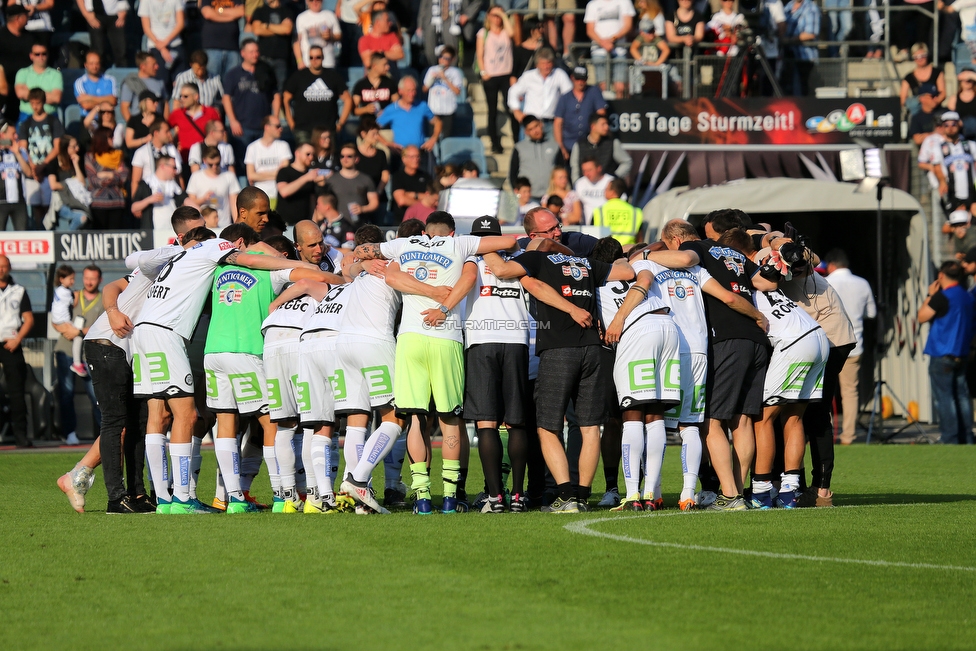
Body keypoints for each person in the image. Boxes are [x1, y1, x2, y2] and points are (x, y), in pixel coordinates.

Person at [133, 208, 313, 514]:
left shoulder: (174, 260)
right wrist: (296, 262)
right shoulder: (214, 252)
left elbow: (132, 262)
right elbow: (253, 259)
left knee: (159, 415)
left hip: (146, 331)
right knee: (190, 416)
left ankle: (169, 498)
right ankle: (189, 499)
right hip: (177, 335)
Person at [353, 212, 519, 514]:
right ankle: (450, 498)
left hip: (410, 337)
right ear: (451, 232)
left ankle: (422, 497)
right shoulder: (461, 245)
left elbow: (370, 258)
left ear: (426, 231)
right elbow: (510, 240)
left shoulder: (402, 244)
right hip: (447, 337)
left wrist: (364, 259)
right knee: (450, 419)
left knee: (416, 418)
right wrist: (442, 304)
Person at [482, 229, 636, 513]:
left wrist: (479, 245)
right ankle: (581, 496)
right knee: (590, 428)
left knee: (548, 427)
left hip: (558, 349)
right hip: (594, 350)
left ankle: (565, 495)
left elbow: (501, 270)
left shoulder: (537, 260)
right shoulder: (586, 264)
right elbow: (626, 272)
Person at [643, 209, 777, 510]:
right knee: (741, 420)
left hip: (728, 339)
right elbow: (766, 284)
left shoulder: (697, 248)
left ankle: (729, 495)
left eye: (668, 245)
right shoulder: (735, 254)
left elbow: (686, 262)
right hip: (757, 343)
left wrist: (642, 259)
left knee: (712, 421)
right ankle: (739, 492)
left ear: (676, 240)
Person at [820, 249, 875, 446]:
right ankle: (848, 435)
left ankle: (820, 432)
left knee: (822, 391)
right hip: (854, 344)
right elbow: (871, 313)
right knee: (850, 392)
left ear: (831, 265)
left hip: (828, 343)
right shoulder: (862, 283)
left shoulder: (825, 282)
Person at [918, 261, 975, 444]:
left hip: (942, 353)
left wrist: (929, 295)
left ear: (941, 276)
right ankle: (967, 436)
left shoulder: (942, 297)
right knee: (962, 396)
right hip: (962, 352)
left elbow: (922, 316)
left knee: (945, 398)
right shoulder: (968, 297)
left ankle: (950, 437)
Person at [52, 264, 103, 446]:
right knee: (66, 394)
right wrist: (68, 330)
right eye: (86, 278)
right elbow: (55, 321)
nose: (89, 282)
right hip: (66, 350)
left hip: (90, 354)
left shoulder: (104, 299)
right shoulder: (72, 295)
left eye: (93, 278)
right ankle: (70, 433)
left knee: (96, 395)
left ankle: (104, 432)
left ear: (100, 280)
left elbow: (103, 327)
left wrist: (80, 331)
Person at [223, 40, 281, 165]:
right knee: (243, 164)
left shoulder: (267, 70)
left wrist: (275, 117)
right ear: (243, 53)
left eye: (256, 51)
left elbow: (276, 95)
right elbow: (226, 98)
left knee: (263, 163)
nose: (255, 55)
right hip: (243, 127)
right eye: (251, 52)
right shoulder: (233, 74)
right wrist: (232, 121)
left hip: (264, 127)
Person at [283, 45, 352, 144]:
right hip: (303, 130)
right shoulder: (298, 76)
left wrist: (340, 123)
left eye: (318, 57)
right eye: (311, 57)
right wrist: (291, 123)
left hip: (327, 129)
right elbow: (286, 98)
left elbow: (348, 99)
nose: (314, 60)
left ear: (323, 57)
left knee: (328, 159)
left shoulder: (333, 76)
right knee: (305, 159)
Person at [0, 254, 34, 447]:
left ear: (9, 267)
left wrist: (18, 339)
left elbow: (28, 319)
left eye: (4, 266)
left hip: (11, 342)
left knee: (16, 391)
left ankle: (20, 435)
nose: (1, 269)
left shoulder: (19, 290)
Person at [18, 87, 61, 224]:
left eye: (38, 103)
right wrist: (33, 168)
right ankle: (38, 230)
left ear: (43, 102)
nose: (35, 107)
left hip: (49, 171)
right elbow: (23, 148)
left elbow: (57, 147)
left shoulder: (53, 122)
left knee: (48, 206)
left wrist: (43, 165)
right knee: (36, 206)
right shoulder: (26, 124)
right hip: (32, 172)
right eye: (32, 103)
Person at [507, 48, 573, 140]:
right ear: (537, 65)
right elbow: (513, 92)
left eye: (548, 63)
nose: (546, 67)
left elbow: (569, 95)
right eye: (543, 64)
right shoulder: (528, 76)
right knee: (528, 151)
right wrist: (516, 111)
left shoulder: (559, 75)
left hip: (551, 123)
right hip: (532, 123)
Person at [477, 6, 516, 154]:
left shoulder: (506, 31)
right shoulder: (483, 33)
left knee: (510, 107)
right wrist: (483, 71)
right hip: (491, 75)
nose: (497, 18)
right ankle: (495, 143)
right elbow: (480, 54)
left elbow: (512, 33)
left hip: (506, 74)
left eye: (500, 15)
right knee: (492, 110)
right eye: (494, 15)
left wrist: (504, 16)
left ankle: (515, 139)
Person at [377, 76, 442, 156]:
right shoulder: (391, 109)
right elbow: (373, 128)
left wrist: (433, 139)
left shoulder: (422, 106)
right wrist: (387, 143)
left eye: (413, 90)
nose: (412, 94)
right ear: (400, 91)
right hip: (400, 153)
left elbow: (437, 122)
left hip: (419, 152)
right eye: (408, 91)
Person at [554, 67, 608, 161]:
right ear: (572, 78)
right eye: (577, 79)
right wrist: (561, 147)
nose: (580, 82)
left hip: (589, 142)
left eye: (583, 79)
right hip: (569, 143)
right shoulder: (564, 98)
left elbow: (601, 114)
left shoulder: (594, 91)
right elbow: (557, 123)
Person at [584, 0, 635, 98]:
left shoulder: (625, 2)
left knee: (620, 87)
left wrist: (613, 39)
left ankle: (620, 111)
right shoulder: (592, 4)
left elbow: (628, 26)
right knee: (603, 87)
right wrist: (603, 42)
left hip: (619, 50)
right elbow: (590, 30)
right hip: (598, 51)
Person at [84, 127, 130, 229]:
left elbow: (124, 175)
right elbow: (93, 179)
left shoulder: (118, 155)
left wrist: (106, 175)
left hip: (117, 202)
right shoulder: (90, 157)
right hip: (98, 203)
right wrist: (114, 174)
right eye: (110, 137)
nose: (113, 139)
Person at [930, 111, 976, 214]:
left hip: (971, 193)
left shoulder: (970, 145)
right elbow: (936, 167)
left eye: (953, 124)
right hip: (951, 193)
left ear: (958, 125)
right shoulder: (938, 148)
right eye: (946, 125)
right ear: (943, 127)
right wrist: (942, 181)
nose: (950, 127)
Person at [509, 115, 562, 202]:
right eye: (531, 129)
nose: (535, 131)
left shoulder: (554, 146)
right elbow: (513, 174)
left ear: (541, 124)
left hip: (550, 196)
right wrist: (519, 193)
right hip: (528, 198)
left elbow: (561, 169)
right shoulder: (519, 148)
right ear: (526, 132)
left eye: (536, 126)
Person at [186, 146, 241, 228]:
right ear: (204, 160)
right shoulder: (196, 176)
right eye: (211, 164)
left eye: (217, 164)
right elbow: (190, 203)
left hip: (224, 224)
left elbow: (234, 204)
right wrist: (204, 199)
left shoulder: (229, 176)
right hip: (203, 226)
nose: (214, 167)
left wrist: (237, 225)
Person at [570, 112, 632, 183]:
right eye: (603, 124)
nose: (607, 127)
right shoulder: (579, 145)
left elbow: (627, 162)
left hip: (607, 189)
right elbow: (575, 167)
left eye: (607, 124)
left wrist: (613, 178)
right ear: (593, 126)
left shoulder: (612, 143)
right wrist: (577, 184)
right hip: (585, 189)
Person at [244, 115, 292, 205]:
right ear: (267, 127)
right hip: (260, 196)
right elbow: (251, 176)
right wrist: (276, 173)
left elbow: (284, 173)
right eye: (277, 126)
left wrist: (260, 174)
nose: (281, 129)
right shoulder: (252, 148)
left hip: (279, 195)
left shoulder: (283, 146)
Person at [169, 83, 221, 165]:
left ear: (196, 96)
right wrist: (173, 146)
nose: (181, 99)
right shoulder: (177, 114)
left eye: (185, 96)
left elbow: (221, 133)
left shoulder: (211, 113)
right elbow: (164, 130)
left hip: (206, 160)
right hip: (184, 159)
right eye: (180, 96)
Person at [249, 0, 296, 92]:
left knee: (280, 89)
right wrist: (279, 28)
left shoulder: (287, 11)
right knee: (262, 88)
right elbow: (257, 30)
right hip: (263, 58)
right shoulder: (260, 11)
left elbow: (287, 29)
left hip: (281, 59)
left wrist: (266, 25)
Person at [326, 143, 379, 223]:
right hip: (337, 226)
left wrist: (362, 209)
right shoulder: (331, 180)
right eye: (342, 156)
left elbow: (374, 202)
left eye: (349, 156)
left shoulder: (366, 179)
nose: (345, 159)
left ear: (356, 159)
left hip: (360, 225)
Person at [275, 142, 326, 225]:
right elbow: (284, 192)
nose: (311, 157)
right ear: (297, 153)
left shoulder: (310, 175)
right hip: (285, 224)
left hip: (304, 225)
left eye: (313, 155)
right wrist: (306, 178)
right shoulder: (284, 171)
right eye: (308, 154)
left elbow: (312, 202)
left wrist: (314, 223)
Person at [131, 154, 186, 230]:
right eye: (173, 167)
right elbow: (134, 207)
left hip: (172, 229)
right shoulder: (147, 183)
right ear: (163, 166)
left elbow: (185, 199)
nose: (175, 171)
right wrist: (150, 200)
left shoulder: (173, 184)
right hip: (154, 230)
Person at [130, 118, 182, 197]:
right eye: (166, 131)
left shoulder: (172, 150)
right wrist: (135, 201)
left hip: (170, 193)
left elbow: (179, 176)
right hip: (150, 195)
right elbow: (135, 181)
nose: (170, 134)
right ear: (156, 133)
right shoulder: (141, 152)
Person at [48, 136, 91, 230]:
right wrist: (70, 184)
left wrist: (76, 164)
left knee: (86, 217)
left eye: (77, 145)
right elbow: (53, 185)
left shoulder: (77, 161)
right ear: (65, 148)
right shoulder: (55, 163)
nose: (77, 148)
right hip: (62, 202)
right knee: (81, 218)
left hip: (76, 201)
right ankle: (67, 239)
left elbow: (82, 183)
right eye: (74, 146)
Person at [51, 266, 87, 379]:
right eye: (70, 279)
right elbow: (73, 304)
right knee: (78, 336)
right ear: (61, 279)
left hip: (58, 320)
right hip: (63, 321)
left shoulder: (58, 290)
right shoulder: (65, 292)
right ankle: (77, 363)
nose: (73, 281)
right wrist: (76, 296)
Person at [139, 0, 185, 85]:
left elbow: (181, 23)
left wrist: (166, 41)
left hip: (175, 44)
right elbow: (146, 28)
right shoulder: (146, 2)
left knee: (179, 82)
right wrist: (162, 47)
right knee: (161, 82)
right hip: (155, 47)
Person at [14, 43, 61, 124]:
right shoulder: (22, 73)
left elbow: (56, 98)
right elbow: (20, 93)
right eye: (37, 54)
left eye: (44, 54)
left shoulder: (56, 74)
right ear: (31, 56)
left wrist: (29, 93)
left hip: (50, 115)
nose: (41, 57)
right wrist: (47, 95)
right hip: (27, 115)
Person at [423, 46, 464, 139]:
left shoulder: (455, 72)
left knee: (447, 137)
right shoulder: (432, 70)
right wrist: (432, 78)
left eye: (446, 58)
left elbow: (457, 91)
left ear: (452, 59)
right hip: (433, 110)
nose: (442, 60)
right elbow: (424, 89)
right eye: (441, 57)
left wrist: (444, 78)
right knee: (432, 137)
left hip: (448, 110)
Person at [0, 6, 32, 123]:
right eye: (25, 15)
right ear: (18, 18)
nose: (28, 18)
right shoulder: (1, 36)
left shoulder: (30, 38)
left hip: (25, 86)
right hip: (6, 88)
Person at [782, 0, 820, 96]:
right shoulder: (788, 6)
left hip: (804, 56)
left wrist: (788, 40)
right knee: (786, 89)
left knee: (801, 90)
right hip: (786, 55)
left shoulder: (811, 8)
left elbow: (811, 34)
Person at [201, 0, 245, 80]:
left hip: (233, 47)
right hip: (212, 47)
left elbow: (241, 12)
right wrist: (231, 17)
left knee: (232, 81)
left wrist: (217, 11)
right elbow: (207, 14)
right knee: (211, 81)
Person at [76, 0, 127, 69]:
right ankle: (97, 77)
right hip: (93, 14)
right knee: (98, 50)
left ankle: (121, 76)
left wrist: (123, 8)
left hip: (115, 14)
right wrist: (86, 14)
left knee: (121, 51)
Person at [119, 52, 169, 121]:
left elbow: (165, 104)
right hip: (139, 123)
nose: (157, 67)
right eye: (153, 65)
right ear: (143, 66)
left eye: (156, 64)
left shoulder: (160, 82)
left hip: (157, 124)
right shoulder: (131, 82)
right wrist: (134, 126)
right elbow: (124, 107)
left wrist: (165, 123)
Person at [0, 122, 31, 231]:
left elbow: (28, 172)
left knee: (22, 234)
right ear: (3, 135)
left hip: (19, 202)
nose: (16, 136)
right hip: (1, 201)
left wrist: (17, 153)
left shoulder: (21, 151)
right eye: (13, 134)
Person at [900, 43, 946, 118]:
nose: (920, 59)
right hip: (917, 111)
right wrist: (920, 100)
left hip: (934, 108)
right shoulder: (908, 77)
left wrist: (934, 102)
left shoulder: (937, 73)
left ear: (927, 55)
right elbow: (903, 99)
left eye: (922, 56)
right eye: (916, 57)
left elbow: (943, 93)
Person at [355, 116, 390, 213]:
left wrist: (378, 192)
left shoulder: (380, 153)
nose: (376, 137)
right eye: (373, 134)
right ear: (363, 134)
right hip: (360, 199)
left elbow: (385, 176)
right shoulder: (354, 153)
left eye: (377, 134)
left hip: (379, 198)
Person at [294, 0, 342, 70]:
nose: (314, 2)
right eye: (311, 0)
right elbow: (297, 42)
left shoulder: (330, 15)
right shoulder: (301, 18)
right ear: (307, 1)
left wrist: (330, 36)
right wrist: (299, 61)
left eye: (318, 0)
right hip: (308, 62)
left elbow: (339, 36)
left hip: (328, 62)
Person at [592, 177, 641, 245]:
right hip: (629, 251)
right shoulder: (635, 211)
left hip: (607, 251)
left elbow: (593, 235)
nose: (604, 191)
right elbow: (639, 237)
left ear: (613, 192)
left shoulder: (599, 211)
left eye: (606, 189)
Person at [389, 145, 431, 221]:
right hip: (402, 221)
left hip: (422, 220)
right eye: (412, 157)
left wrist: (413, 195)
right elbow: (401, 200)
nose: (416, 159)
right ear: (404, 159)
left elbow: (431, 198)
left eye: (417, 156)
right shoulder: (397, 176)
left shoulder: (426, 177)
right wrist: (424, 202)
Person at [352, 53, 398, 118]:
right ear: (374, 66)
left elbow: (398, 106)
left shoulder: (390, 83)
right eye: (384, 65)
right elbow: (354, 110)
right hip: (367, 125)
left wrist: (387, 111)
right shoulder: (360, 85)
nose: (388, 67)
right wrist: (365, 109)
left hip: (386, 124)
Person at [73, 52, 118, 118]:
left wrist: (90, 97)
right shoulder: (80, 82)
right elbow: (86, 105)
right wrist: (105, 102)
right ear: (86, 65)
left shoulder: (110, 80)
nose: (94, 67)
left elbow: (113, 101)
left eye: (97, 63)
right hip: (89, 119)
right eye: (91, 64)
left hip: (107, 119)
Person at [574, 156, 613, 224]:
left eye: (589, 170)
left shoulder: (611, 182)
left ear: (599, 168)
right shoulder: (579, 183)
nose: (587, 174)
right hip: (587, 227)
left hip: (607, 225)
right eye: (584, 171)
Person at [950, 67, 976, 140]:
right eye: (964, 79)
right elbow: (950, 118)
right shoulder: (954, 98)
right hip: (961, 133)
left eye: (969, 79)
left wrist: (972, 75)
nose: (966, 81)